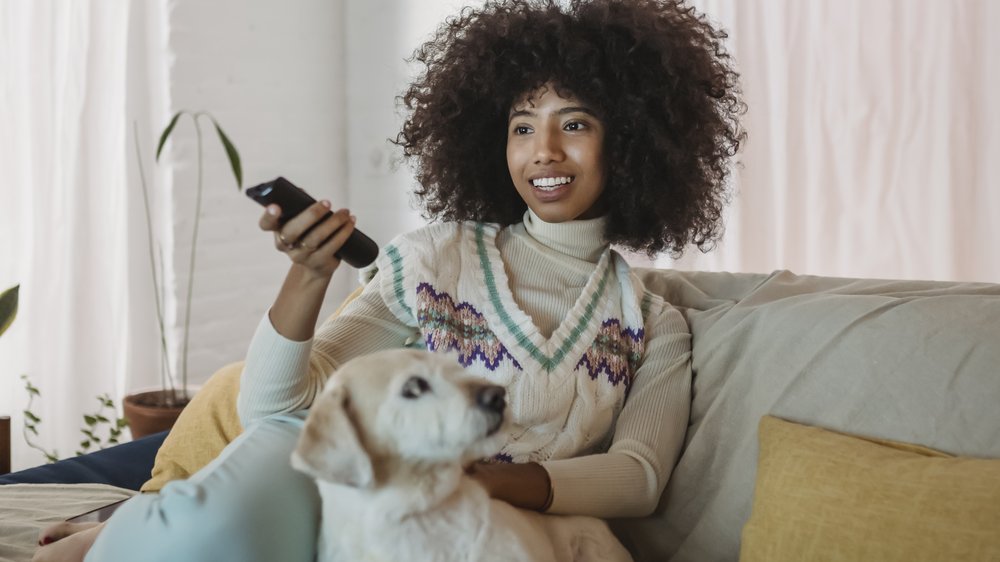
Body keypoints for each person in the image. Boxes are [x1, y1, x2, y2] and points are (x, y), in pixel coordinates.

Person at [34, 0, 744, 560]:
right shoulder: (435, 259)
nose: (544, 152)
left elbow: (639, 477)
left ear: (636, 142)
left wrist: (487, 483)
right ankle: (135, 530)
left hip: (487, 535)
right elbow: (279, 409)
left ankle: (129, 531)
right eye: (522, 127)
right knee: (200, 537)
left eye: (576, 124)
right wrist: (307, 276)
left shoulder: (655, 323)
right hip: (352, 499)